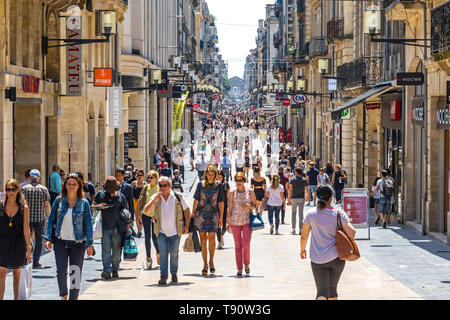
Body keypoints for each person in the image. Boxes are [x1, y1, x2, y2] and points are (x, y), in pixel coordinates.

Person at [300, 184, 356, 300]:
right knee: (332, 290)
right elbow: (352, 232)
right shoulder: (339, 213)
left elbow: (304, 237)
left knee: (321, 292)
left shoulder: (311, 214)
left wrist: (302, 250)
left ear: (317, 196)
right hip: (337, 257)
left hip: (317, 258)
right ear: (331, 197)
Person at [44, 174, 94, 300]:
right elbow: (51, 220)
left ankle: (73, 298)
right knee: (61, 272)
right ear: (65, 186)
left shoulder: (84, 203)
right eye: (69, 184)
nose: (71, 186)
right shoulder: (59, 200)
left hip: (78, 243)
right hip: (61, 242)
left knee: (75, 274)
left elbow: (88, 224)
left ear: (79, 186)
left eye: (74, 184)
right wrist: (48, 238)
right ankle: (63, 294)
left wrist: (89, 244)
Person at [144, 177, 190, 285]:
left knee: (174, 253)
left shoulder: (178, 197)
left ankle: (173, 273)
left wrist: (186, 226)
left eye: (165, 186)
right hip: (161, 231)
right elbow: (146, 210)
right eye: (160, 186)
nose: (162, 188)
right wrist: (154, 201)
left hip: (175, 231)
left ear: (170, 186)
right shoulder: (156, 197)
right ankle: (163, 276)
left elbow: (187, 210)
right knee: (163, 253)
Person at [0, 179, 32, 300]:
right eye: (8, 189)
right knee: (1, 273)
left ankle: (16, 298)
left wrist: (29, 248)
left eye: (13, 189)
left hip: (18, 243)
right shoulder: (1, 206)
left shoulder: (23, 207)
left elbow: (26, 228)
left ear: (18, 190)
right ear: (5, 191)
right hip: (2, 243)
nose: (11, 192)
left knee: (16, 273)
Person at [192, 165, 224, 276]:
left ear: (215, 175)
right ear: (206, 174)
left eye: (212, 174)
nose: (210, 176)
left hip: (214, 215)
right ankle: (205, 264)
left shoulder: (219, 186)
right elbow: (196, 199)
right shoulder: (200, 185)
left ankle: (211, 261)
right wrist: (193, 213)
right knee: (203, 239)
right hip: (201, 214)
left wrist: (221, 217)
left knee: (212, 238)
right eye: (209, 174)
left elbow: (221, 202)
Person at [93, 177, 127, 279]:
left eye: (113, 190)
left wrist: (128, 226)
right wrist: (100, 206)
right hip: (105, 227)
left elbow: (125, 211)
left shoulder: (121, 196)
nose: (111, 193)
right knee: (106, 250)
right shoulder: (101, 194)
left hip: (117, 228)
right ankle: (106, 270)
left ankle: (115, 268)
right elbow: (92, 205)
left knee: (116, 251)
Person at [226, 172, 257, 277]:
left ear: (244, 181)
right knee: (237, 245)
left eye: (240, 180)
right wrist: (227, 220)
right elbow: (229, 207)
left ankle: (246, 264)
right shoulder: (232, 193)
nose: (238, 182)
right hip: (234, 221)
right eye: (237, 180)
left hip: (247, 220)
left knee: (246, 244)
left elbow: (255, 206)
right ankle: (239, 268)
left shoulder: (250, 192)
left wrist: (247, 206)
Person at [22, 169, 51, 269]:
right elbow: (46, 205)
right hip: (39, 218)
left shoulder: (24, 189)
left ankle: (26, 259)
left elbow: (21, 204)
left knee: (26, 239)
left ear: (30, 177)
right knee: (39, 240)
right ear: (39, 178)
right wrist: (49, 218)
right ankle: (36, 261)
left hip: (27, 218)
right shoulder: (43, 189)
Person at [138, 170, 161, 269]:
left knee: (155, 236)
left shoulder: (159, 188)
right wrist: (139, 213)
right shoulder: (146, 187)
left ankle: (159, 253)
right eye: (149, 178)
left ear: (156, 178)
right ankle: (148, 258)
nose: (150, 179)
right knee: (147, 236)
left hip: (155, 215)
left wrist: (156, 215)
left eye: (152, 177)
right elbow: (141, 200)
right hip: (145, 214)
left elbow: (160, 203)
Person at [287, 167, 308, 235]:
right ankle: (301, 229)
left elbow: (290, 189)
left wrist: (289, 198)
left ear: (296, 172)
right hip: (301, 197)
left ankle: (293, 229)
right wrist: (307, 196)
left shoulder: (292, 179)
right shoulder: (304, 180)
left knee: (293, 213)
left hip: (293, 198)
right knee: (301, 214)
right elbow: (307, 189)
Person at [217, 170, 230, 249]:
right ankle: (219, 241)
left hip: (225, 205)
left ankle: (221, 236)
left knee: (225, 226)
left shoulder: (226, 185)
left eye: (221, 177)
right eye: (218, 177)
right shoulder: (215, 185)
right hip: (216, 206)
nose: (219, 179)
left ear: (223, 177)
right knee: (217, 225)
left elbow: (228, 197)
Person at [131, 170, 145, 238]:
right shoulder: (133, 183)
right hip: (135, 201)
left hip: (142, 201)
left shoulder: (145, 184)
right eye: (138, 175)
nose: (140, 176)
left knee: (141, 216)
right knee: (136, 216)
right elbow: (130, 191)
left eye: (141, 175)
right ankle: (139, 230)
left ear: (143, 176)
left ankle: (140, 230)